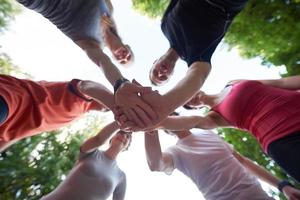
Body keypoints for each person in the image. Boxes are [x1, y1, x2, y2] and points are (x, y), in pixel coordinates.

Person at [16, 0, 157, 128]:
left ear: (114, 58)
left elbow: (103, 62)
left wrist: (120, 83)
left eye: (122, 61)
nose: (124, 57)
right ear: (127, 46)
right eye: (129, 56)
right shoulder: (109, 10)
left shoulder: (93, 45)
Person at [132, 0, 250, 129]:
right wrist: (165, 104)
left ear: (154, 63)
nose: (161, 73)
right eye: (163, 77)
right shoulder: (196, 57)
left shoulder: (165, 27)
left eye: (155, 72)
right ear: (172, 74)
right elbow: (198, 76)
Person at [158, 75, 300, 182]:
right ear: (194, 108)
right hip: (281, 140)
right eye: (186, 104)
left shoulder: (233, 83)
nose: (190, 100)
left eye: (187, 95)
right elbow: (190, 122)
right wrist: (155, 120)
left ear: (196, 88)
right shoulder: (213, 117)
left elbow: (282, 83)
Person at [144, 128, 300, 200]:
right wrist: (150, 127)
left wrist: (283, 186)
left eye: (172, 112)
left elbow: (242, 160)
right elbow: (156, 164)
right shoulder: (176, 151)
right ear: (166, 129)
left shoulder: (208, 133)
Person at [0, 74, 116, 152]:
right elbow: (86, 86)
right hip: (11, 98)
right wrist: (116, 104)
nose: (109, 109)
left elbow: (17, 133)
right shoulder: (84, 96)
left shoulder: (78, 114)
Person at [42, 121, 131, 200]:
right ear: (111, 138)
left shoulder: (121, 177)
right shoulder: (91, 152)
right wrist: (120, 121)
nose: (123, 136)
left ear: (126, 147)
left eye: (128, 137)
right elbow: (98, 139)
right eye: (121, 132)